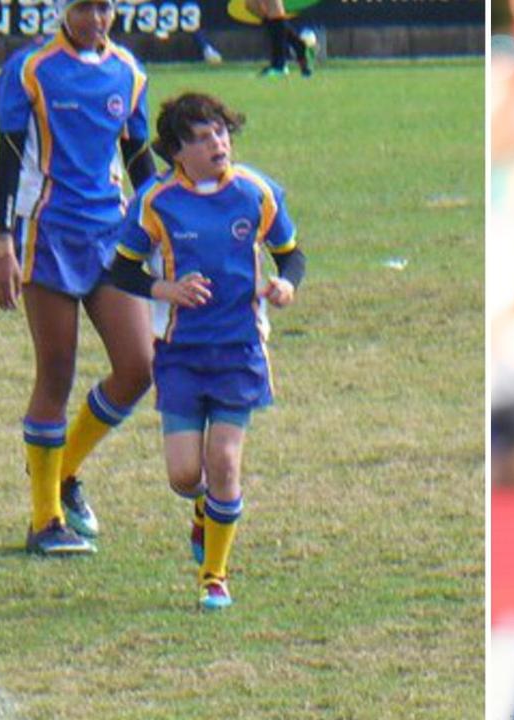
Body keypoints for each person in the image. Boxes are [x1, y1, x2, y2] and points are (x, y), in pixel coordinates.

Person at [110, 92, 306, 609]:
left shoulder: (256, 193)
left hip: (240, 350)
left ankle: (214, 577)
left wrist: (286, 285)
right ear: (177, 151)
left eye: (220, 131)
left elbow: (291, 255)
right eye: (201, 137)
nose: (217, 143)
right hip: (179, 354)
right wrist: (165, 290)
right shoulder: (155, 201)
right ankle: (203, 512)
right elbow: (122, 267)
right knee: (183, 475)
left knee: (223, 461)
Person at [0, 0, 157, 555]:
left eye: (106, 6)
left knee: (138, 367)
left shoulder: (129, 73)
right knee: (56, 371)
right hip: (47, 235)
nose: (97, 18)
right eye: (85, 6)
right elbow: (9, 159)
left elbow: (139, 161)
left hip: (110, 233)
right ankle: (45, 521)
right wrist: (1, 243)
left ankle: (62, 471)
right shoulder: (30, 69)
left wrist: (162, 228)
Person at [244, 0, 315, 78]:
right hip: (275, 20)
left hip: (276, 20)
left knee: (282, 40)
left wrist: (265, 16)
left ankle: (279, 66)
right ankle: (302, 66)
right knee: (294, 42)